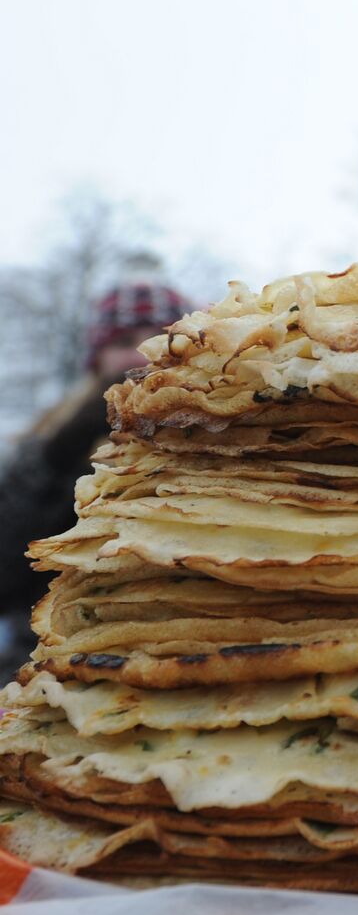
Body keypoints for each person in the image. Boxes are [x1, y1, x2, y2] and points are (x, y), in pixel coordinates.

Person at [0, 279, 192, 678]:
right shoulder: (47, 442)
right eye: (122, 339)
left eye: (159, 337)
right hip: (46, 664)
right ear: (97, 355)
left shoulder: (220, 437)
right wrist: (60, 456)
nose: (138, 353)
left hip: (181, 657)